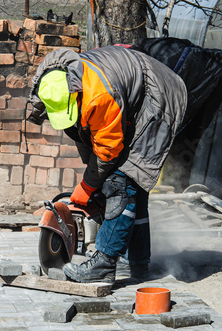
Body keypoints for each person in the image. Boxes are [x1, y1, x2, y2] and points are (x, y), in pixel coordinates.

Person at [28, 46, 187, 284]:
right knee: (131, 186)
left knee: (122, 181)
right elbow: (84, 135)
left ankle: (104, 263)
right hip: (132, 92)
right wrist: (93, 183)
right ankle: (139, 262)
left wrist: (89, 185)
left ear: (76, 96)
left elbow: (107, 149)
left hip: (160, 98)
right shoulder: (53, 84)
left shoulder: (98, 96)